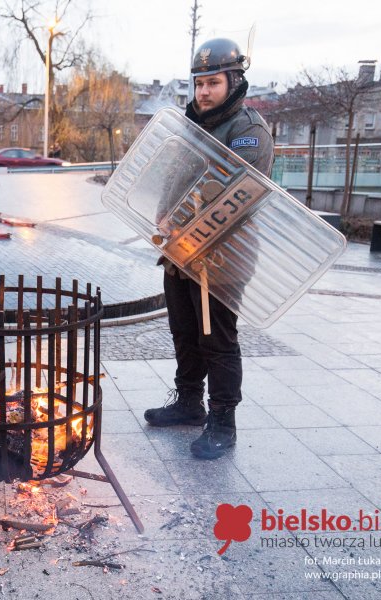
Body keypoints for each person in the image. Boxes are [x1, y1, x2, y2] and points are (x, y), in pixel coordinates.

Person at [143, 38, 274, 460]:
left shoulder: (247, 131)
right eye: (199, 83)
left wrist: (191, 234)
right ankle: (188, 403)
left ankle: (223, 420)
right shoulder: (190, 127)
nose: (203, 92)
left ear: (234, 81)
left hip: (222, 260)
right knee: (184, 333)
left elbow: (236, 196)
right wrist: (163, 220)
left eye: (212, 82)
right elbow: (174, 180)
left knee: (216, 339)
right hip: (180, 255)